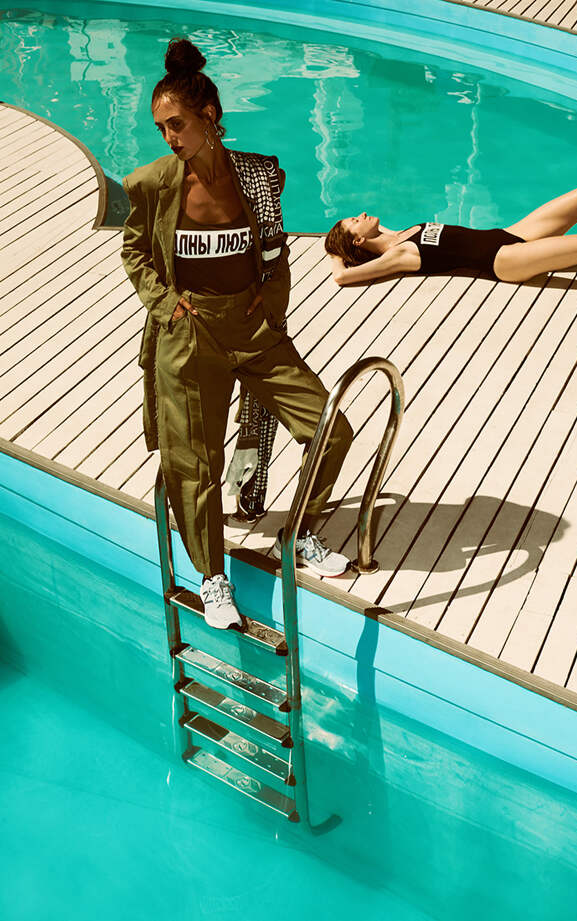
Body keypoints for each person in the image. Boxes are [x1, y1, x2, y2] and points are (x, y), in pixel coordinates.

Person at [121, 39, 353, 630]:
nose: (169, 137)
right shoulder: (152, 184)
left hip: (251, 326)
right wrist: (167, 305)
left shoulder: (257, 174)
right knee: (195, 461)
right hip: (188, 332)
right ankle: (212, 577)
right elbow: (135, 252)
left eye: (177, 124)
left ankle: (297, 535)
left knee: (330, 428)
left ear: (209, 116)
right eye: (161, 128)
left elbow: (275, 250)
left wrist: (270, 303)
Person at [324, 184, 577, 285]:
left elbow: (380, 234)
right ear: (358, 240)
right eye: (355, 221)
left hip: (507, 235)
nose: (362, 214)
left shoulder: (396, 235)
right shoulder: (397, 255)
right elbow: (342, 277)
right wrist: (336, 253)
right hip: (503, 259)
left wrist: (352, 239)